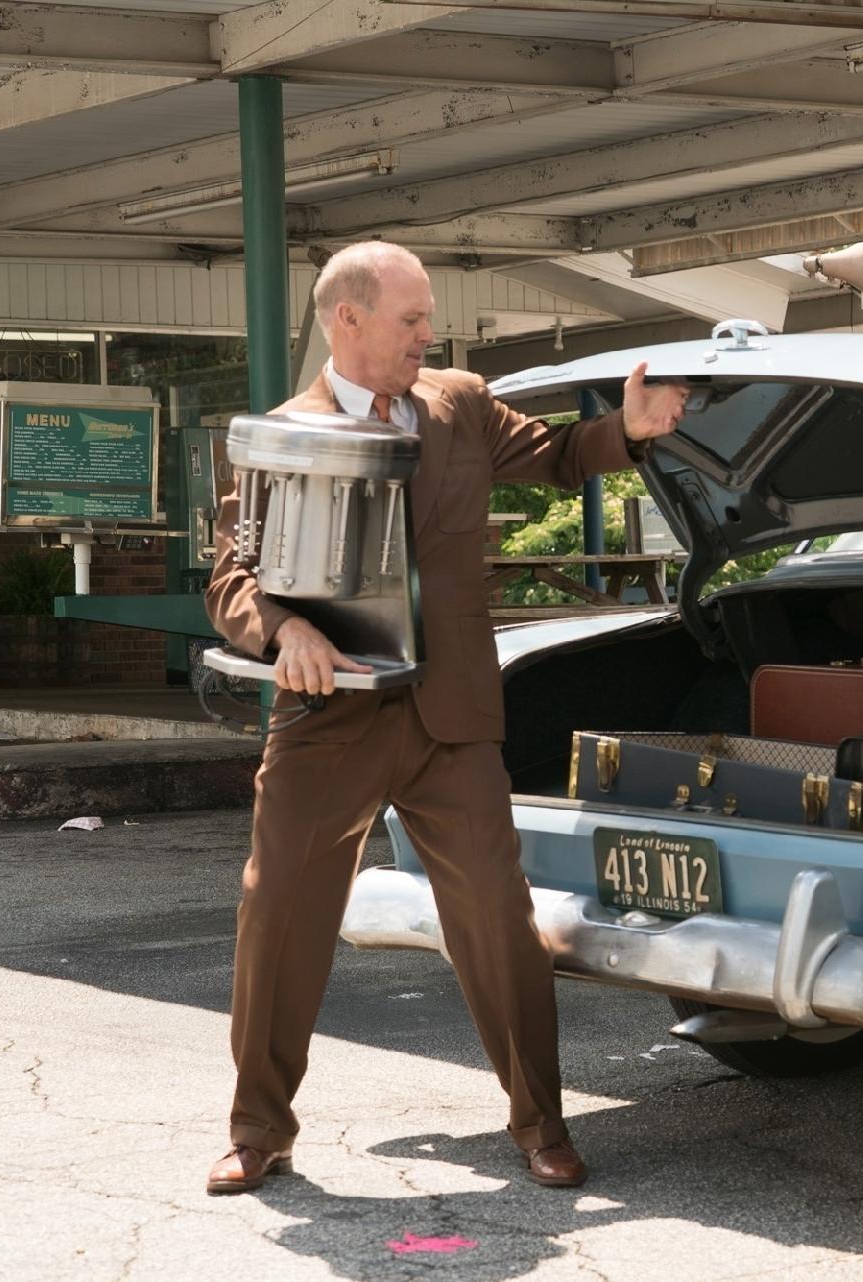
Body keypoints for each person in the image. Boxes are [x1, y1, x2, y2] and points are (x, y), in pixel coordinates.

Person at [203, 241, 688, 1195]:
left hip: (452, 714)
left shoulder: (458, 404)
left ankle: (540, 1124)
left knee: (500, 922)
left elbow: (555, 456)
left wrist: (626, 431)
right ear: (347, 321)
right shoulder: (276, 435)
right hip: (327, 713)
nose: (431, 334)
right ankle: (259, 1130)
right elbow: (230, 581)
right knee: (278, 913)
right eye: (410, 319)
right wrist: (284, 629)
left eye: (429, 318)